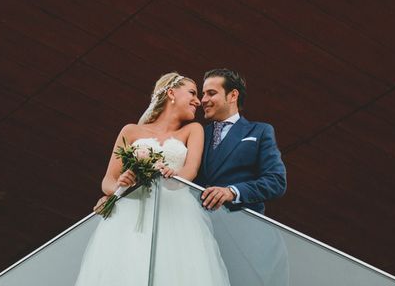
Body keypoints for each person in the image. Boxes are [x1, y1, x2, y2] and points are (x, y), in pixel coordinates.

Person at [74, 73, 230, 286]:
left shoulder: (193, 130)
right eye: (192, 93)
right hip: (129, 214)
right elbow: (107, 181)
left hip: (176, 213)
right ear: (171, 93)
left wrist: (174, 178)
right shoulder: (130, 131)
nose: (198, 101)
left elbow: (190, 171)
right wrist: (122, 182)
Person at [197, 68, 287, 214]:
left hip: (239, 224)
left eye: (211, 93)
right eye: (203, 94)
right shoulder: (199, 133)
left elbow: (276, 181)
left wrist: (232, 192)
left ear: (233, 95)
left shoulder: (260, 131)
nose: (203, 100)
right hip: (199, 221)